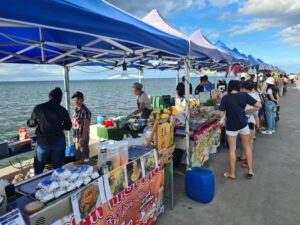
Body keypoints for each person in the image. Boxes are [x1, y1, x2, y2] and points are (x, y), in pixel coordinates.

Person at [219, 80, 261, 179]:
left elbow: (221, 114)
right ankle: (250, 170)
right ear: (238, 87)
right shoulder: (244, 95)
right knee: (247, 146)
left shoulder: (225, 98)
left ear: (229, 87)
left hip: (231, 127)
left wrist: (219, 113)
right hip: (243, 124)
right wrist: (248, 110)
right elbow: (259, 105)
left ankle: (232, 173)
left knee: (232, 150)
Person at [27, 87, 72, 175]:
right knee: (58, 169)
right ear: (60, 98)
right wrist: (60, 126)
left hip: (43, 143)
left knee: (39, 169)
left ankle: (38, 186)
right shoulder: (63, 110)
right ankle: (57, 185)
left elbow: (31, 123)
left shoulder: (39, 108)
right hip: (58, 142)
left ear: (49, 97)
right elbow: (68, 127)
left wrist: (34, 122)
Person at [240, 81, 261, 168]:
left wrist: (246, 111)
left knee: (249, 142)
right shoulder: (253, 94)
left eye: (242, 88)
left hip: (249, 121)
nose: (240, 90)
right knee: (244, 141)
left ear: (246, 89)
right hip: (247, 120)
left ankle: (247, 161)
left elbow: (258, 106)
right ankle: (243, 156)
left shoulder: (251, 96)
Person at [72, 91, 92, 161]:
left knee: (84, 157)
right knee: (78, 157)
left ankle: (87, 170)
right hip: (76, 138)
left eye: (77, 100)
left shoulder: (85, 111)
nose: (75, 102)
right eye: (74, 100)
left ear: (82, 100)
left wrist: (82, 139)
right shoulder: (76, 110)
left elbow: (86, 125)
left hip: (82, 138)